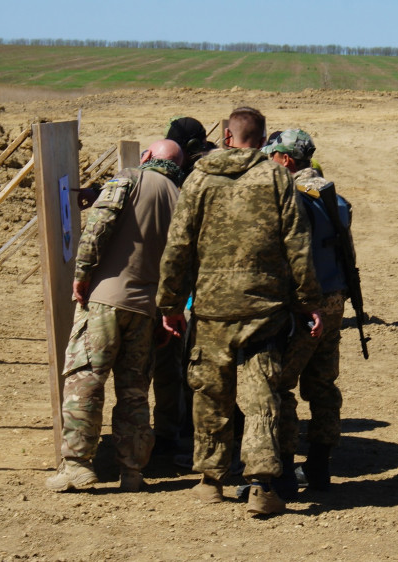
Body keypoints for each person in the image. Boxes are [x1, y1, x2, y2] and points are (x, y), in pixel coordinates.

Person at [157, 107, 323, 517]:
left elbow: (178, 246)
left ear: (227, 137)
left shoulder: (198, 179)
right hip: (264, 311)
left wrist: (170, 304)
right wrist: (308, 301)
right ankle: (262, 486)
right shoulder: (276, 178)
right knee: (261, 395)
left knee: (210, 395)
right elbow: (298, 244)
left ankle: (210, 481)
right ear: (263, 140)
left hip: (211, 309)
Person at [45, 139, 185, 493]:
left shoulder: (129, 178)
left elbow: (99, 225)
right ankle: (132, 470)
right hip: (146, 310)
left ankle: (78, 465)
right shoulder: (181, 197)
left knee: (86, 382)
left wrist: (82, 272)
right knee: (134, 393)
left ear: (148, 156)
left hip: (105, 302)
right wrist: (168, 310)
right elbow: (183, 261)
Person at [262, 128, 352, 497]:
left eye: (272, 157)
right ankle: (318, 467)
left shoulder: (292, 197)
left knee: (280, 385)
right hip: (334, 300)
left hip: (304, 305)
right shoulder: (333, 196)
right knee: (322, 385)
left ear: (285, 159)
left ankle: (283, 469)